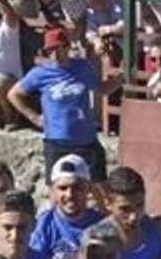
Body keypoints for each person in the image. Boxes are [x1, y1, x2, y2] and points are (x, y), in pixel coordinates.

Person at [10, 26, 106, 178]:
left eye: (58, 49)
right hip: (57, 142)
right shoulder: (40, 73)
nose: (54, 54)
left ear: (67, 47)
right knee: (57, 186)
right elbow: (14, 94)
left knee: (98, 185)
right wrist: (33, 117)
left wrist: (122, 76)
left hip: (86, 140)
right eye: (50, 50)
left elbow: (101, 89)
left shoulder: (83, 67)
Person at [31, 154, 106, 259]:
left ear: (88, 189)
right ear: (53, 191)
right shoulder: (44, 224)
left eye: (77, 187)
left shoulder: (102, 224)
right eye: (63, 188)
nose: (70, 194)